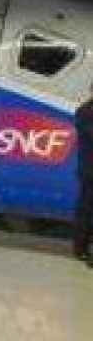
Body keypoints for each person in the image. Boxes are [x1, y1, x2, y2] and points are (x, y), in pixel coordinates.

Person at [74, 82, 93, 267]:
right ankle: (81, 250)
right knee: (87, 212)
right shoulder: (85, 112)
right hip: (90, 173)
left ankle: (81, 248)